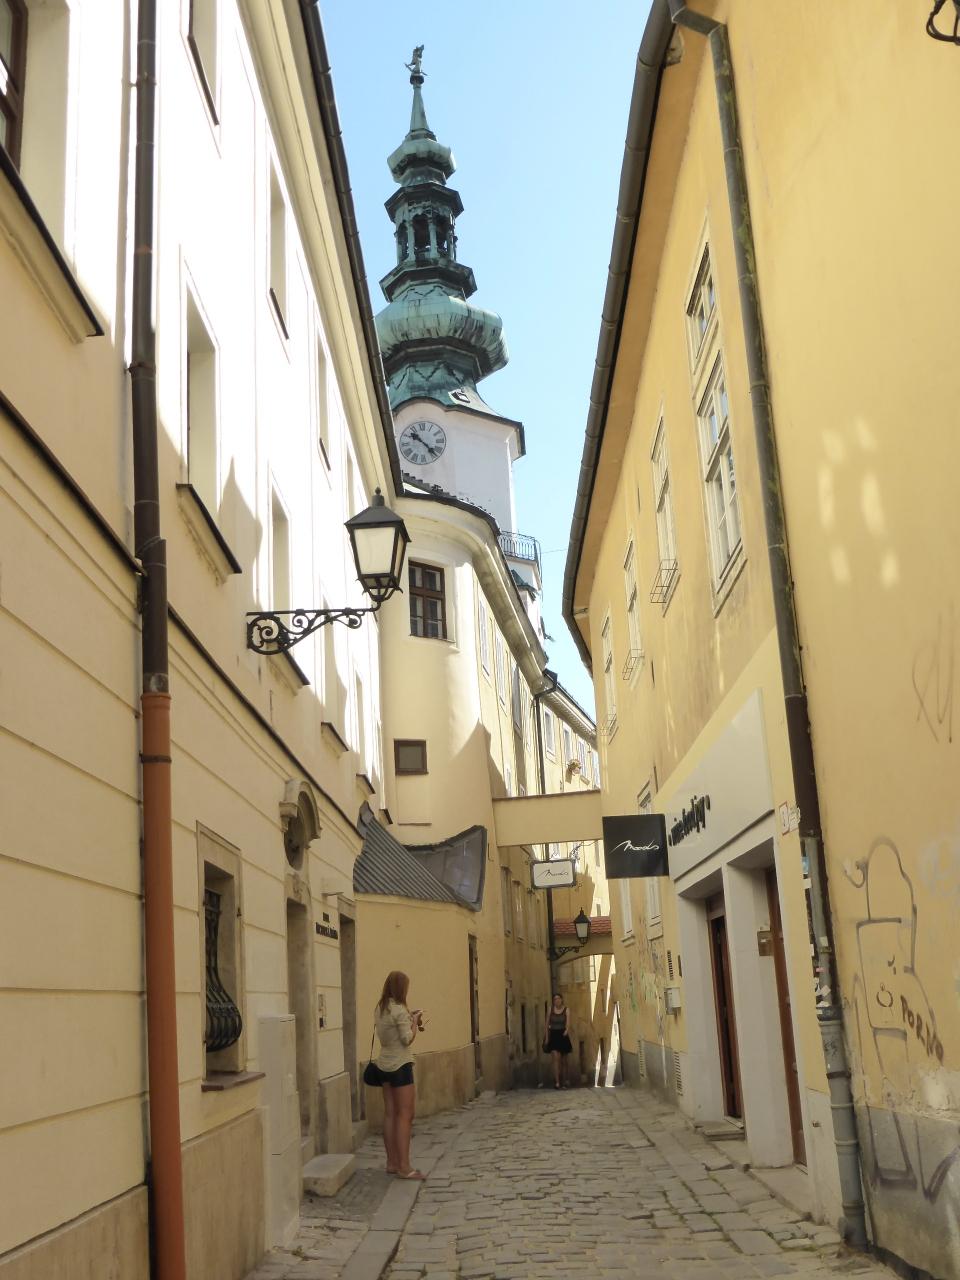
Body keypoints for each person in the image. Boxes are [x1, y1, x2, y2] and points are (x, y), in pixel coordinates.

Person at [369, 971, 426, 1179]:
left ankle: (392, 1162)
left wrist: (409, 1018)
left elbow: (391, 1033)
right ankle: (404, 1166)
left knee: (390, 1114)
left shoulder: (380, 1008)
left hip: (383, 1063)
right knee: (405, 1115)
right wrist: (415, 1021)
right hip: (400, 1066)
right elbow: (406, 1039)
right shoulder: (399, 1009)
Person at [544, 993, 573, 1088]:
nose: (557, 1001)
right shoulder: (550, 1009)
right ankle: (557, 1082)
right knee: (556, 1059)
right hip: (553, 1035)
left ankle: (565, 1080)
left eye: (559, 998)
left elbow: (568, 1023)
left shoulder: (566, 1010)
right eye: (555, 999)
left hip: (563, 1035)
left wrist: (566, 1031)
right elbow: (547, 1024)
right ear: (553, 1001)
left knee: (564, 1060)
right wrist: (547, 1038)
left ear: (562, 999)